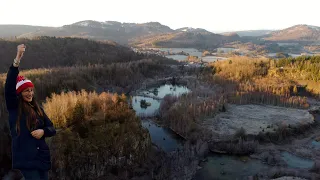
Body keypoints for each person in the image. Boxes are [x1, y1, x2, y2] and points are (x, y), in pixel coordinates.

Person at [4, 44, 56, 180]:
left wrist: (43, 132)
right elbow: (9, 87)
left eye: (31, 90)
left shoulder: (38, 109)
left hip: (41, 158)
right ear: (20, 93)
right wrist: (17, 60)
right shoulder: (15, 107)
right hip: (26, 159)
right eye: (26, 91)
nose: (30, 93)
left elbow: (52, 128)